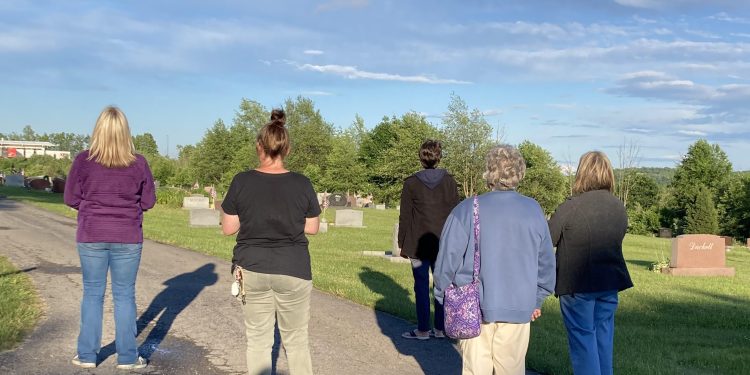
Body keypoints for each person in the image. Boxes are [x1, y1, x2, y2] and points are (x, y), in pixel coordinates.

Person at [434, 144, 556, 375]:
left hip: (473, 305)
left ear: (489, 172)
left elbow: (446, 261)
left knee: (475, 369)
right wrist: (537, 298)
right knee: (511, 369)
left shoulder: (467, 209)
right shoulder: (533, 210)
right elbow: (546, 263)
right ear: (519, 172)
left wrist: (442, 294)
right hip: (519, 305)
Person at [221, 109, 320, 375]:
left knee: (258, 341)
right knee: (297, 341)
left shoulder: (242, 181)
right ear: (286, 149)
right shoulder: (302, 183)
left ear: (258, 147)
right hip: (294, 268)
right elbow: (312, 228)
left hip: (251, 267)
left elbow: (228, 229)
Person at [64, 106, 155, 370]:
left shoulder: (83, 160)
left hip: (91, 234)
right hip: (127, 236)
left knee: (93, 293)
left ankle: (87, 355)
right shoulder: (138, 163)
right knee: (124, 295)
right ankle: (127, 357)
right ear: (126, 132)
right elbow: (148, 201)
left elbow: (70, 198)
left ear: (98, 130)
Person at [548, 151, 633, 375]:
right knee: (603, 341)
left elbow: (548, 238)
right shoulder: (618, 207)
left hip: (577, 285)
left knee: (583, 342)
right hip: (609, 282)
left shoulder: (571, 206)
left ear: (581, 173)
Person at [398, 140, 459, 340]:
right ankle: (441, 328)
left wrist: (402, 243)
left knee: (421, 285)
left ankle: (423, 329)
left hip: (417, 243)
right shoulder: (450, 181)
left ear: (421, 157)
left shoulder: (411, 183)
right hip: (444, 242)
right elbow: (456, 214)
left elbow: (405, 215)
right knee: (443, 285)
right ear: (439, 156)